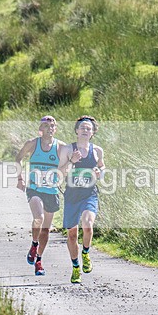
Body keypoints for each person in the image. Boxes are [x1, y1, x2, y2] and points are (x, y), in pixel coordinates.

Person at [14, 115, 64, 276]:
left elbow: (69, 165)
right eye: (46, 125)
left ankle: (39, 260)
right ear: (40, 129)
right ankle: (34, 245)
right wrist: (20, 178)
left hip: (52, 191)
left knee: (46, 230)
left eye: (52, 126)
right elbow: (18, 158)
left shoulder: (61, 147)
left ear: (55, 129)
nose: (49, 128)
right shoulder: (32, 144)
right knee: (39, 217)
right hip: (34, 188)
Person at [58, 115, 104, 284]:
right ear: (76, 131)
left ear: (92, 133)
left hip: (89, 194)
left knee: (88, 224)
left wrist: (100, 173)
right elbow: (61, 172)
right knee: (71, 235)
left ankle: (85, 253)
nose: (85, 130)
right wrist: (72, 161)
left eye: (88, 128)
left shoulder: (97, 151)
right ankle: (76, 266)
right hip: (71, 197)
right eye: (82, 127)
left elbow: (102, 167)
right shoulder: (67, 150)